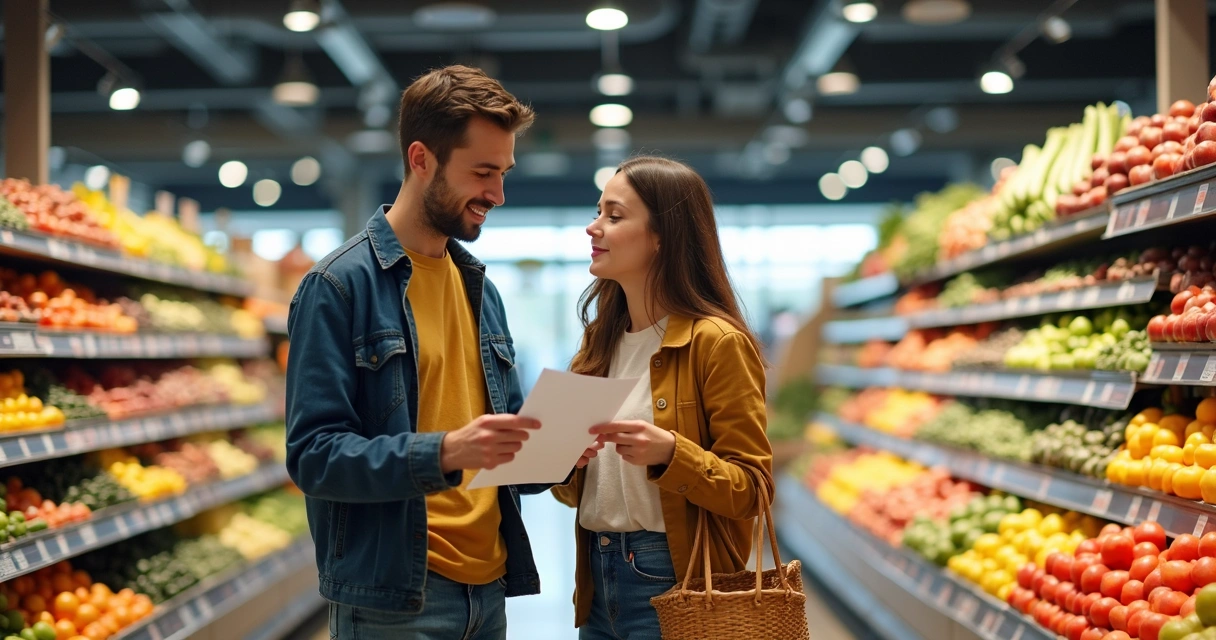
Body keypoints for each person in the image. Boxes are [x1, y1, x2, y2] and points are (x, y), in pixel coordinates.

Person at [285, 65, 599, 640]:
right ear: (421, 158)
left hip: (492, 591)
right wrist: (446, 451)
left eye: (503, 174)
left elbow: (501, 455)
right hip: (396, 602)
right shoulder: (338, 288)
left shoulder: (482, 290)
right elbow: (313, 456)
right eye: (482, 172)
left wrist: (556, 451)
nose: (497, 195)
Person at [552, 156, 774, 639]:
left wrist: (672, 454)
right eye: (598, 212)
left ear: (662, 237)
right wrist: (561, 455)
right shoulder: (597, 344)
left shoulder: (715, 342)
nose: (594, 227)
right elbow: (568, 490)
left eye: (614, 215)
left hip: (674, 577)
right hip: (595, 574)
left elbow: (754, 489)